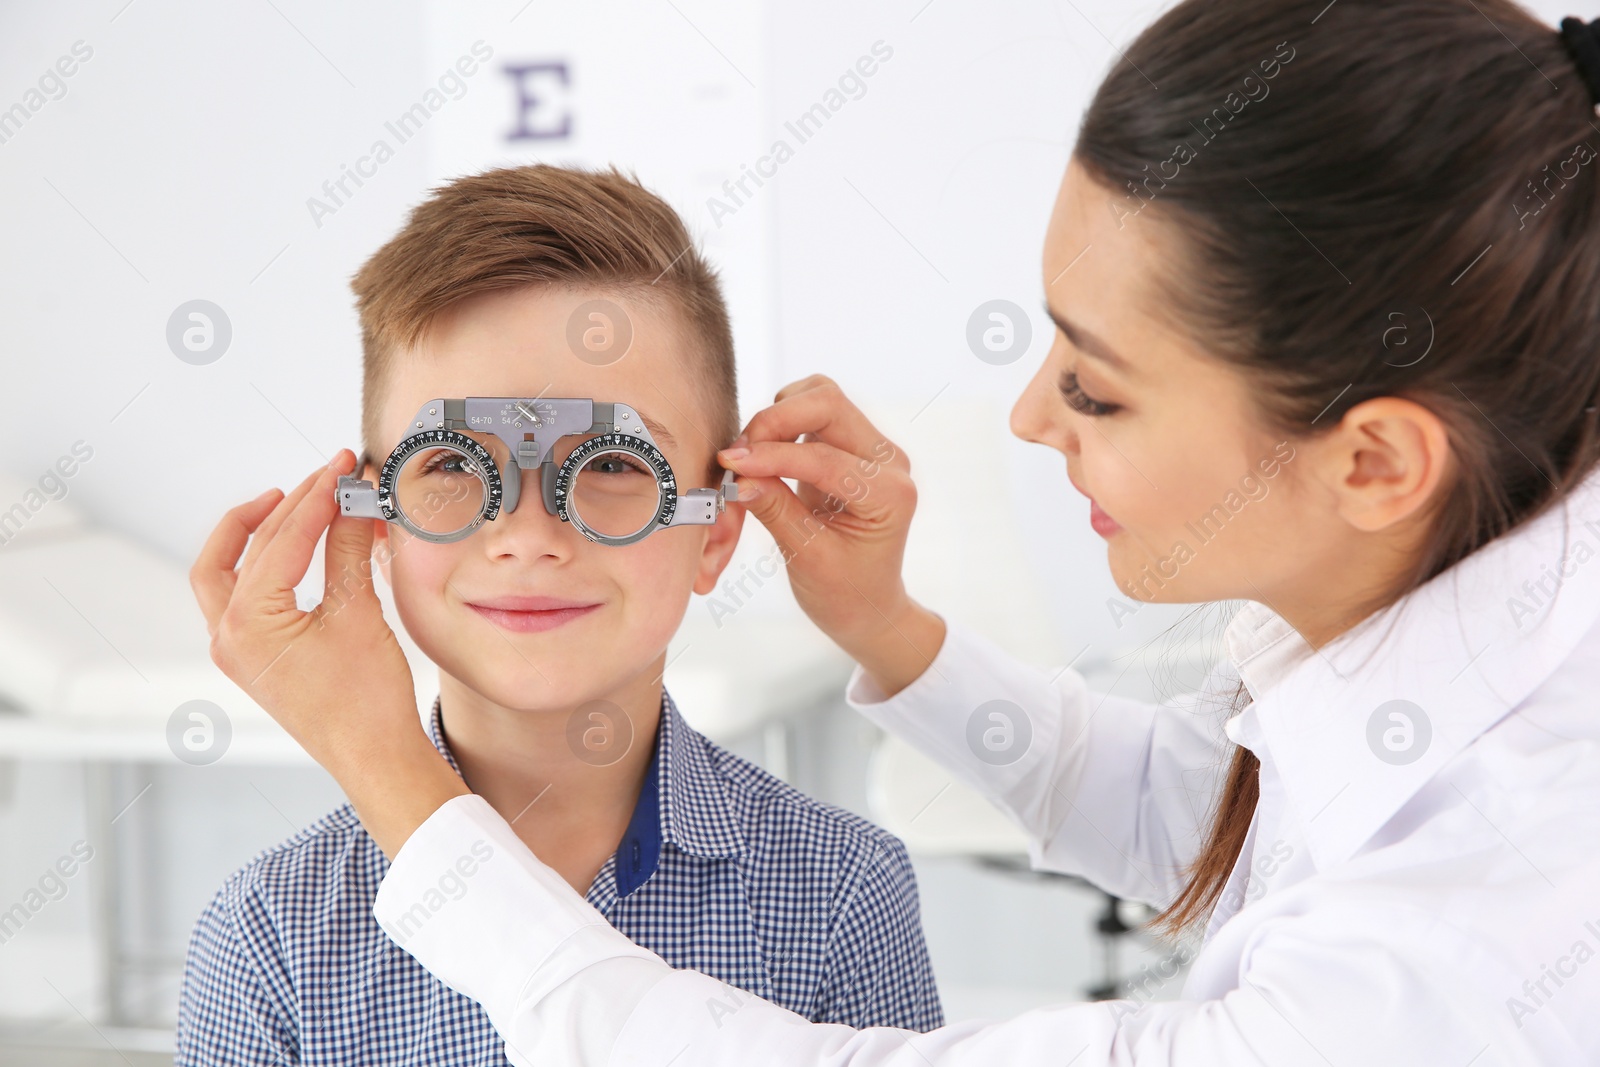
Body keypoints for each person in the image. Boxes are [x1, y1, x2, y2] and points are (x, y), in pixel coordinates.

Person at [190, 0, 1600, 1063]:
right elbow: (1212, 809)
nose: (1030, 417)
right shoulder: (268, 934)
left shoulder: (1478, 924)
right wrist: (889, 627)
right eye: (454, 469)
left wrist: (384, 767)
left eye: (1098, 384)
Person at [177, 164, 943, 1065]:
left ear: (715, 531)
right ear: (369, 521)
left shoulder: (844, 891)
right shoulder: (270, 935)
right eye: (453, 463)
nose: (528, 535)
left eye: (615, 464)